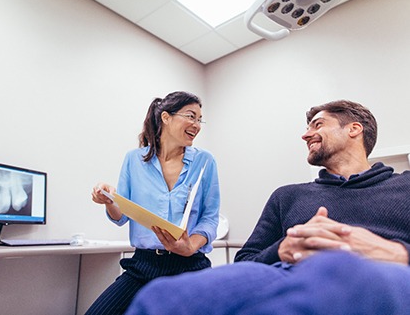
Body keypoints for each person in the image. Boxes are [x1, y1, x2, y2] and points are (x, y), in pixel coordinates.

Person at [124, 100, 410, 315]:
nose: (306, 134)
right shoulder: (288, 196)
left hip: (381, 273)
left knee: (338, 270)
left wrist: (398, 252)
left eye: (318, 124)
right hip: (283, 273)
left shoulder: (404, 186)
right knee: (163, 298)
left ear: (354, 129)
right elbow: (245, 260)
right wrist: (282, 249)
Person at [86, 91, 220, 315]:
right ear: (166, 117)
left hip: (190, 266)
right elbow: (121, 216)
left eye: (199, 119)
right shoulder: (133, 160)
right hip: (143, 266)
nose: (196, 125)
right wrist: (109, 200)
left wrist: (190, 247)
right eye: (190, 116)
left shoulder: (205, 161)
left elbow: (209, 217)